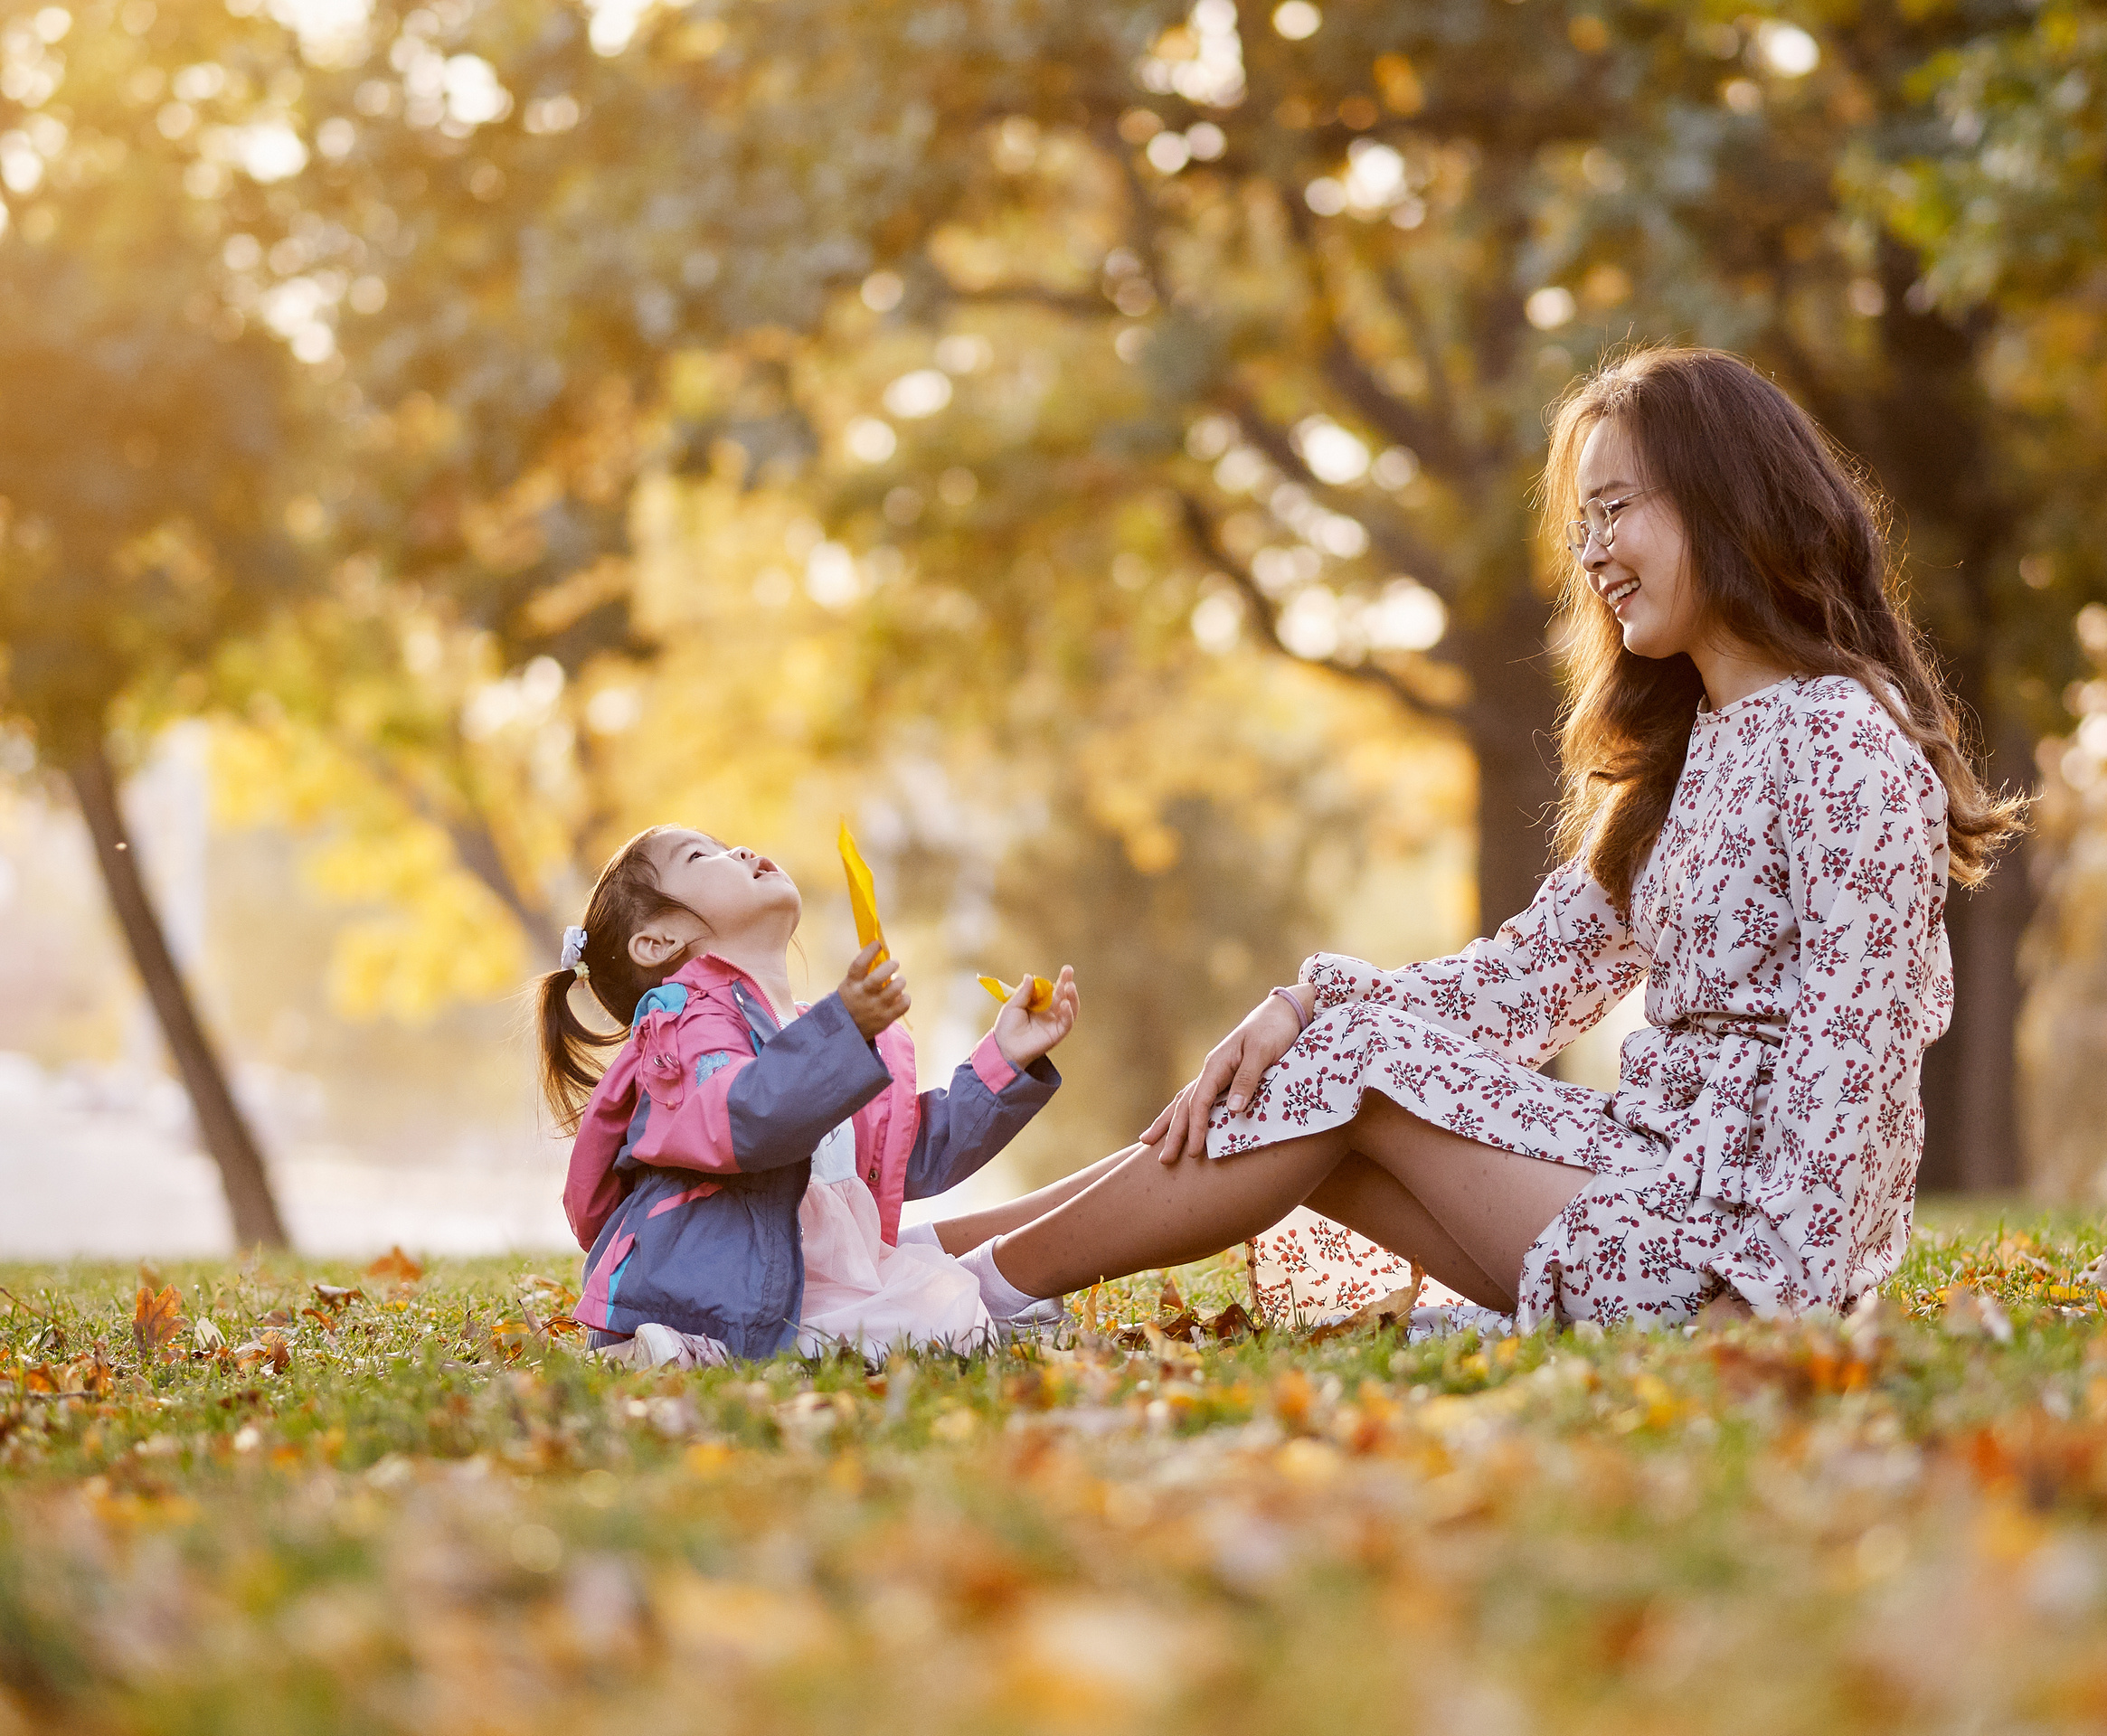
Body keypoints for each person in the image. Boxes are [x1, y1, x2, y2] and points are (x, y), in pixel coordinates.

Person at [919, 345, 2022, 1332]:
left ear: (1724, 500)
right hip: (1640, 1178)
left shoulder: (1842, 741)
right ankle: (918, 1263)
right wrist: (1301, 1004)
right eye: (1580, 523)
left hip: (1723, 1255)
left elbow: (1856, 1054)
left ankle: (953, 1303)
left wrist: (1775, 1301)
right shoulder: (1695, 754)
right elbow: (1525, 983)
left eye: (1615, 508)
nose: (1590, 554)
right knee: (1322, 1059)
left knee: (1347, 1056)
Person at [542, 825, 1086, 1366]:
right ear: (659, 940)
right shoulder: (681, 1021)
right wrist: (843, 1032)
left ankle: (719, 1353)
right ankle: (684, 1345)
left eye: (725, 843)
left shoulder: (807, 1035)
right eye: (700, 856)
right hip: (728, 1294)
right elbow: (742, 1117)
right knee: (939, 1323)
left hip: (816, 1283)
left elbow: (909, 1154)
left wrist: (1005, 1061)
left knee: (946, 1314)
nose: (742, 849)